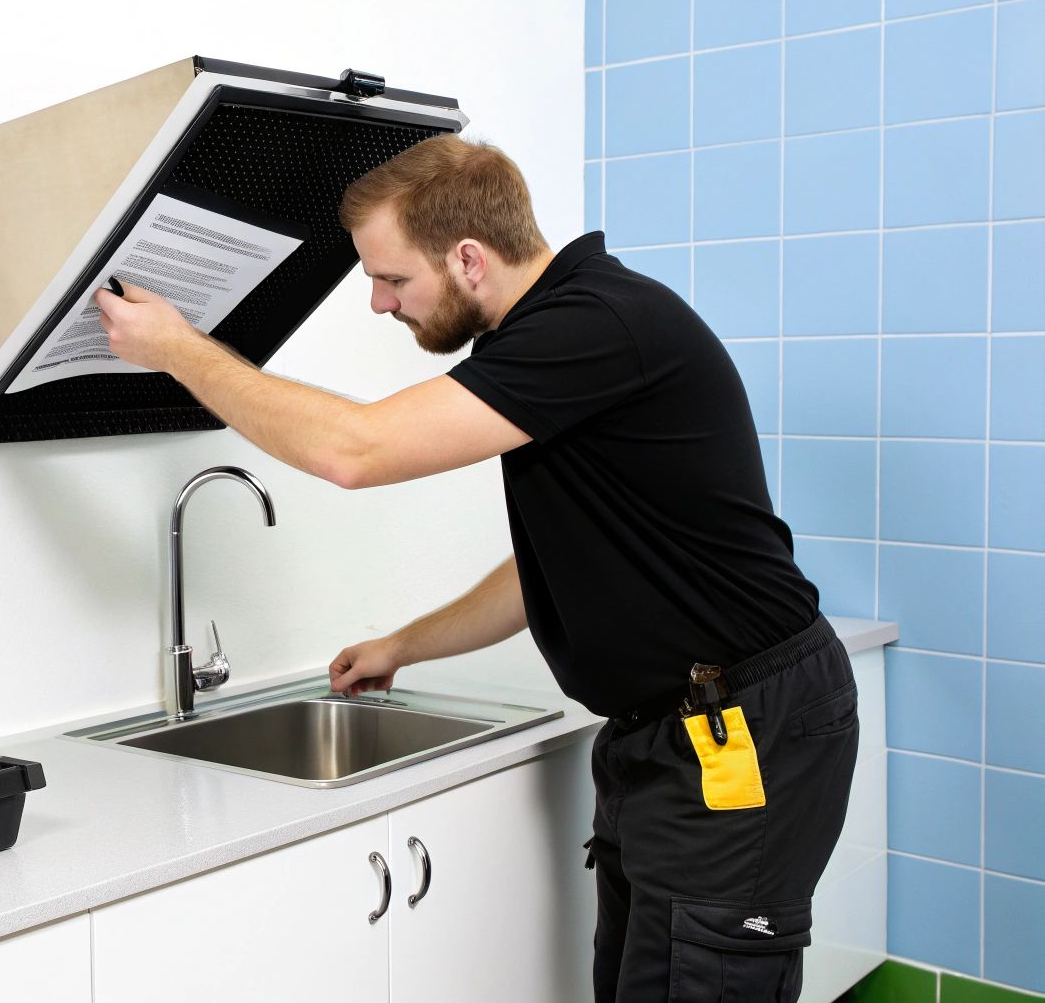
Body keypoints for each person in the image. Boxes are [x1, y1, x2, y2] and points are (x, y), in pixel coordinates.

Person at [93, 135, 857, 1002]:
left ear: (467, 258)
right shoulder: (553, 335)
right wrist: (405, 645)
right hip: (671, 732)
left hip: (739, 727)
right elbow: (556, 567)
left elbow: (355, 449)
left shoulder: (594, 326)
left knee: (701, 979)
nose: (379, 304)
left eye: (391, 279)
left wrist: (180, 348)